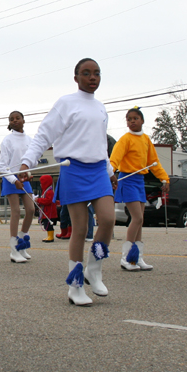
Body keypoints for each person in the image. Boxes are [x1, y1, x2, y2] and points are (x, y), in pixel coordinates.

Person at [19, 58, 116, 306]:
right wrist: (26, 163)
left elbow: (100, 145)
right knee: (80, 228)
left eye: (96, 73)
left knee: (107, 219)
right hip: (73, 169)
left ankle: (93, 270)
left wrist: (109, 170)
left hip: (98, 170)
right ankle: (75, 287)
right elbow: (44, 134)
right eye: (86, 73)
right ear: (76, 78)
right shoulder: (66, 103)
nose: (92, 77)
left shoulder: (101, 108)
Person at [109, 107, 170, 272]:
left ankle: (137, 258)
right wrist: (109, 173)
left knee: (140, 220)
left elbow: (154, 162)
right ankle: (126, 258)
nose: (132, 121)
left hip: (139, 180)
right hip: (127, 179)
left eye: (135, 118)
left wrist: (164, 178)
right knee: (136, 218)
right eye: (129, 119)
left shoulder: (146, 140)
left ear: (142, 120)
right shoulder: (125, 139)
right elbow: (114, 159)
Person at [0, 110, 35, 263]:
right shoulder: (7, 140)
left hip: (24, 178)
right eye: (12, 119)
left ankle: (21, 243)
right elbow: (2, 166)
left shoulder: (30, 140)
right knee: (16, 211)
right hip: (10, 178)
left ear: (23, 120)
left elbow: (33, 159)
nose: (15, 121)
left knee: (31, 209)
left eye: (17, 118)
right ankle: (14, 250)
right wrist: (14, 180)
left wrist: (29, 173)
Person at [36, 174, 59, 242]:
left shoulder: (49, 192)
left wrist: (39, 200)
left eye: (42, 183)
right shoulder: (45, 191)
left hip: (49, 212)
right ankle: (49, 235)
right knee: (46, 224)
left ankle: (50, 236)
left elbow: (48, 201)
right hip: (46, 212)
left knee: (48, 224)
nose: (41, 184)